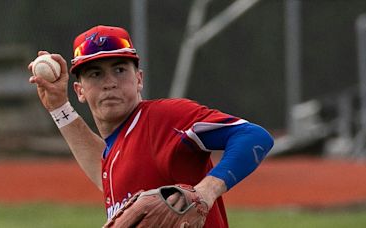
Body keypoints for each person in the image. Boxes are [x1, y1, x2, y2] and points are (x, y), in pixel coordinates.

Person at [28, 25, 274, 227]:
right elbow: (105, 170)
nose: (110, 82)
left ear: (139, 79)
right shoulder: (116, 149)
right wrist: (59, 108)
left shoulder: (165, 118)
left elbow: (253, 136)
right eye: (95, 74)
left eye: (120, 70)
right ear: (79, 91)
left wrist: (205, 192)